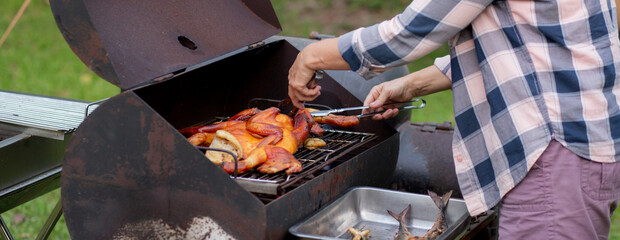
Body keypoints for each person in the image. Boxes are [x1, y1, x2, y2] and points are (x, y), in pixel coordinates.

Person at [288, 0, 620, 239]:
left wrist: (312, 56)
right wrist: (413, 83)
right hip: (577, 149)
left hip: (553, 157)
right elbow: (520, 44)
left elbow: (410, 32)